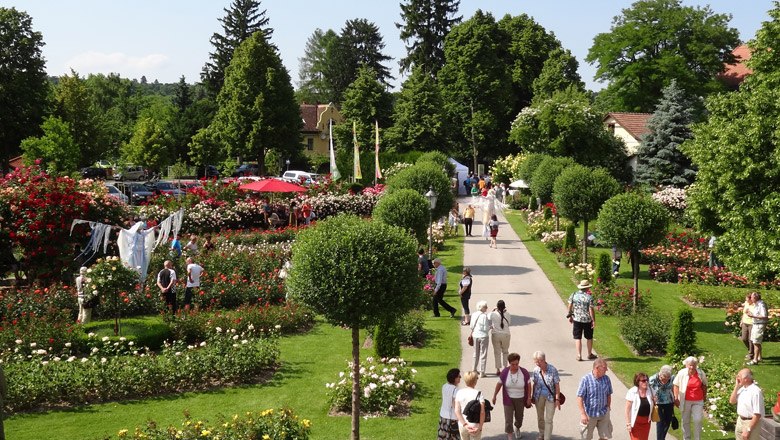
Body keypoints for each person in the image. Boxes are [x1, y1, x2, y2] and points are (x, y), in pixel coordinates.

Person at [492, 353, 531, 440]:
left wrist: (529, 397)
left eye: (517, 364)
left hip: (520, 398)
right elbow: (499, 384)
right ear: (509, 363)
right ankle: (510, 436)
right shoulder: (505, 372)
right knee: (508, 419)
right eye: (513, 364)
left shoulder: (524, 372)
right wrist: (494, 395)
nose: (515, 366)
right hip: (508, 398)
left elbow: (529, 385)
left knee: (519, 417)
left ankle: (517, 427)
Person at [577, 358, 613, 440]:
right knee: (587, 437)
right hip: (590, 414)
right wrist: (583, 414)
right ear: (597, 368)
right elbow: (579, 397)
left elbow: (608, 394)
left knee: (605, 437)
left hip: (603, 413)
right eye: (604, 368)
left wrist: (608, 407)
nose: (606, 370)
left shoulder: (606, 379)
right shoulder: (585, 379)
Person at [673, 356, 707, 440]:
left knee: (697, 420)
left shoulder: (701, 373)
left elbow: (704, 385)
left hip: (698, 400)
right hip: (685, 400)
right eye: (690, 365)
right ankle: (686, 438)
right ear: (686, 365)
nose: (692, 367)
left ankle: (697, 438)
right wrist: (676, 397)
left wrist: (704, 396)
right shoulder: (682, 373)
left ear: (696, 365)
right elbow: (676, 385)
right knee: (685, 421)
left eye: (694, 365)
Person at [531, 351, 561, 440]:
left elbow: (557, 385)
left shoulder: (553, 370)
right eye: (535, 361)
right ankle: (541, 434)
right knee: (540, 417)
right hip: (538, 396)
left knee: (548, 419)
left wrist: (557, 399)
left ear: (543, 360)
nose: (537, 364)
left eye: (538, 361)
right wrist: (532, 396)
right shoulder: (536, 370)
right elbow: (534, 384)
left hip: (550, 397)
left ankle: (547, 437)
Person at [728, 368, 764, 440]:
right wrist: (736, 386)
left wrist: (748, 429)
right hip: (740, 421)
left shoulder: (755, 392)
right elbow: (732, 401)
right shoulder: (742, 389)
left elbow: (757, 414)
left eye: (739, 376)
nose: (737, 378)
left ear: (746, 379)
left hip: (750, 423)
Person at [567, 279, 596, 361]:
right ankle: (589, 354)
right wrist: (593, 320)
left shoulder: (574, 295)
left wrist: (570, 315)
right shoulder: (589, 297)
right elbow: (591, 310)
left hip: (577, 319)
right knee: (589, 337)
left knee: (577, 337)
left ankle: (579, 355)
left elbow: (570, 305)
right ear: (587, 288)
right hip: (587, 320)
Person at [455, 370, 485, 440]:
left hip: (463, 424)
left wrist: (464, 424)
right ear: (475, 381)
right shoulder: (479, 394)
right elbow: (482, 412)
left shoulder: (459, 392)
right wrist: (480, 427)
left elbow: (457, 411)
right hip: (475, 425)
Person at [625, 372, 654, 440]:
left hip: (646, 422)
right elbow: (627, 410)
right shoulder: (632, 392)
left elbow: (655, 400)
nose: (646, 382)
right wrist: (628, 424)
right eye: (643, 381)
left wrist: (655, 400)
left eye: (647, 380)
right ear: (638, 382)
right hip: (635, 422)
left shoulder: (651, 390)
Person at [648, 365, 675, 440]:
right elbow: (648, 390)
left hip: (669, 402)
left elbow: (674, 388)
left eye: (667, 379)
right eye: (663, 378)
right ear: (660, 374)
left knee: (667, 421)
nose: (665, 381)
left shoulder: (672, 378)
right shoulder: (652, 379)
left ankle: (661, 438)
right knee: (660, 422)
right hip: (658, 403)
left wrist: (675, 398)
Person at [438, 368, 462, 440]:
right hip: (452, 418)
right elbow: (455, 405)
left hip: (443, 415)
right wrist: (459, 417)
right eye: (459, 376)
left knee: (443, 437)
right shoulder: (456, 390)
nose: (460, 377)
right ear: (454, 378)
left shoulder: (444, 386)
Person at [489, 300, 511, 375]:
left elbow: (488, 317)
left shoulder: (493, 314)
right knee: (505, 351)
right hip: (506, 334)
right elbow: (509, 323)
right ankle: (505, 367)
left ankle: (498, 369)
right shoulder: (507, 314)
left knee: (497, 352)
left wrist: (493, 310)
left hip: (496, 334)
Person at [470, 301, 490, 377]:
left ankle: (474, 369)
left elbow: (471, 326)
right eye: (485, 307)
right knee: (483, 354)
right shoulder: (484, 316)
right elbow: (486, 328)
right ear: (481, 308)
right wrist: (490, 327)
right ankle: (482, 371)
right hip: (483, 336)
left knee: (475, 353)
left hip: (475, 335)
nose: (486, 308)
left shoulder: (474, 314)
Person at [746, 292, 767, 365]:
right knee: (756, 341)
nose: (750, 298)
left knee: (756, 342)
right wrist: (750, 313)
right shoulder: (756, 304)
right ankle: (759, 357)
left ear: (755, 298)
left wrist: (753, 316)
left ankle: (755, 360)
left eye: (751, 297)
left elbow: (764, 316)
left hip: (759, 325)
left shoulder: (761, 304)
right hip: (756, 324)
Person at [740, 293, 755, 361]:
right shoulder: (746, 303)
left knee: (750, 339)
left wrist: (750, 313)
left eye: (747, 299)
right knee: (744, 338)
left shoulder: (755, 305)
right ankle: (751, 350)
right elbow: (743, 313)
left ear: (751, 299)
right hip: (745, 323)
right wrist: (741, 321)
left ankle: (751, 354)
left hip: (752, 323)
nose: (746, 300)